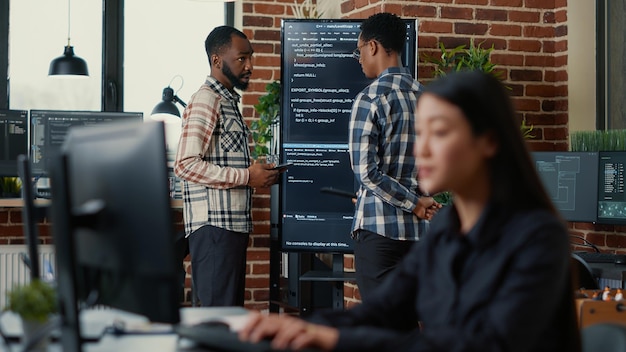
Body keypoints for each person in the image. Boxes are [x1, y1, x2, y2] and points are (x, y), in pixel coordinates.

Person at [238, 70, 580, 351]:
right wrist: (296, 327)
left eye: (440, 132)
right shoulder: (447, 229)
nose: (423, 150)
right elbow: (383, 308)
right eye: (420, 134)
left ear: (488, 141)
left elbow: (481, 344)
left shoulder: (538, 237)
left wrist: (339, 339)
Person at [174, 26, 280, 306]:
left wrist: (259, 175)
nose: (250, 66)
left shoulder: (228, 102)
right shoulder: (206, 100)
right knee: (215, 321)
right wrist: (247, 176)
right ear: (216, 61)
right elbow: (185, 164)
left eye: (250, 58)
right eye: (242, 58)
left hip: (228, 229)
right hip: (214, 230)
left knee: (226, 317)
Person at [348, 12, 440, 301]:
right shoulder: (428, 99)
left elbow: (367, 172)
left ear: (373, 46)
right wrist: (420, 201)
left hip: (380, 236)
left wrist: (412, 203)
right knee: (408, 324)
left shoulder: (370, 99)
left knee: (383, 329)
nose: (359, 57)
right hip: (419, 236)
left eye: (359, 49)